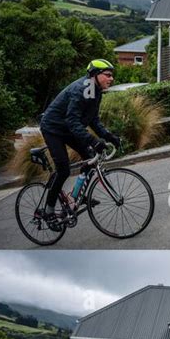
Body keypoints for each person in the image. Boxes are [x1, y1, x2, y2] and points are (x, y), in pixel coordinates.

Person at [40, 59, 120, 228]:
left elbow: (93, 120)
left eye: (112, 75)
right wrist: (93, 140)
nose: (111, 79)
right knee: (63, 170)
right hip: (53, 128)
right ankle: (48, 210)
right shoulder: (81, 89)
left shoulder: (94, 90)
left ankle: (78, 194)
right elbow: (72, 121)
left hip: (68, 128)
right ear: (94, 75)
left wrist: (109, 137)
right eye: (107, 75)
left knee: (90, 158)